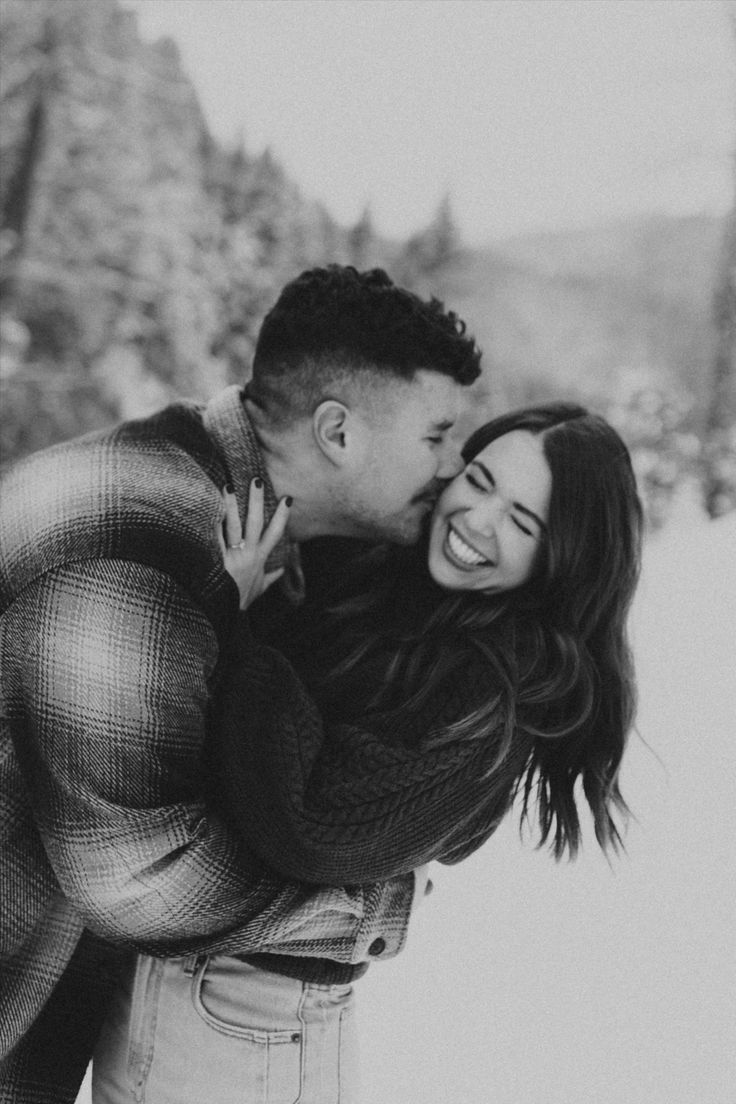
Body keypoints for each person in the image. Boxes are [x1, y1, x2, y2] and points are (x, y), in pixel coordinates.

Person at [0, 265, 482, 1104]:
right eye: (437, 435)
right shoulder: (141, 538)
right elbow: (140, 875)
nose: (455, 464)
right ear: (338, 433)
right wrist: (368, 908)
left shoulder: (254, 528)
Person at [92, 403, 643, 1104]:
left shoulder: (491, 698)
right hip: (161, 981)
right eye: (478, 480)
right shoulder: (386, 585)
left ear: (562, 558)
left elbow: (312, 830)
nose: (477, 520)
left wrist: (239, 627)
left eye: (523, 521)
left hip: (242, 1021)